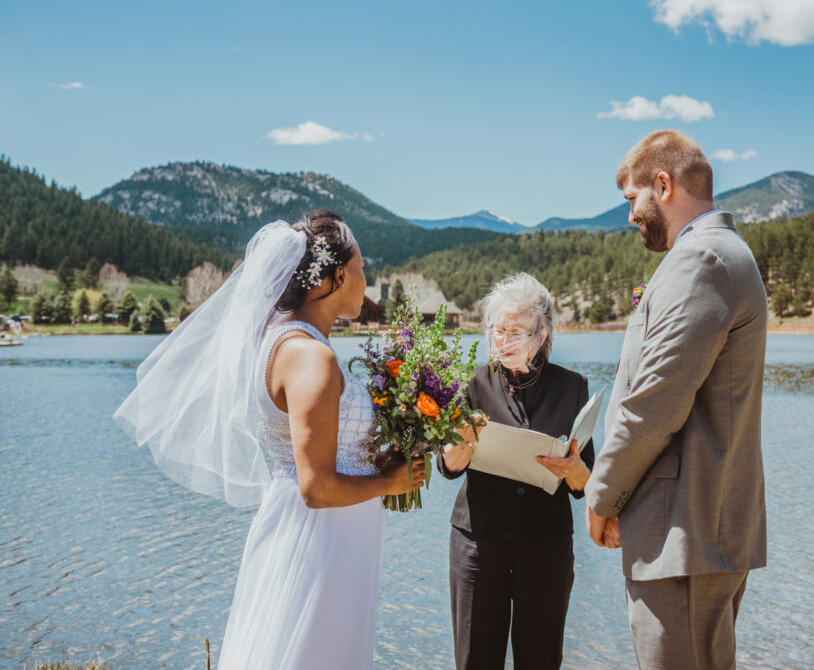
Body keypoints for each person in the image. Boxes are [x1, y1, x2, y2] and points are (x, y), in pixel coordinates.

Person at [114, 210, 425, 669]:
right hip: (321, 539)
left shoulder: (283, 340)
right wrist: (388, 484)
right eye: (360, 270)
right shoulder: (309, 357)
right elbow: (316, 487)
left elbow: (322, 448)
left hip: (324, 531)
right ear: (333, 277)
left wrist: (377, 456)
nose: (365, 280)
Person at [584, 130, 768, 670]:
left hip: (683, 534)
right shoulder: (715, 255)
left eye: (632, 199)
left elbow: (654, 404)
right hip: (695, 531)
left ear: (662, 185)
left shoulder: (704, 259)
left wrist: (602, 495)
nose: (631, 215)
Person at [437, 272, 593, 670]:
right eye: (498, 330)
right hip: (477, 544)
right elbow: (447, 467)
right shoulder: (471, 383)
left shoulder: (572, 386)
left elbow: (584, 483)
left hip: (546, 547)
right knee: (475, 661)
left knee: (540, 660)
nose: (503, 340)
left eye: (516, 332)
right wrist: (459, 449)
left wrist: (573, 469)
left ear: (542, 335)